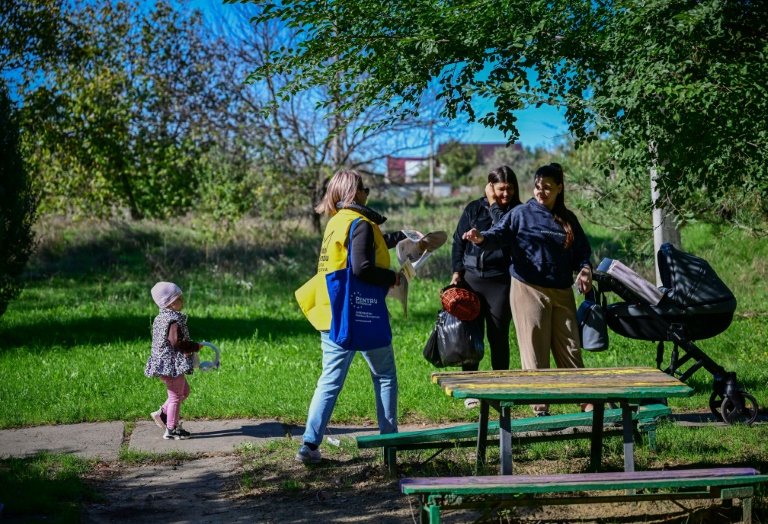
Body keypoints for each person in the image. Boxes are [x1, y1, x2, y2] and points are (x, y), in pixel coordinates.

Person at [294, 169, 406, 464]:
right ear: (356, 193)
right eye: (365, 188)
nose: (368, 192)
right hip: (361, 313)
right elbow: (361, 268)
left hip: (332, 313)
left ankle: (309, 445)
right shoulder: (361, 224)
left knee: (329, 380)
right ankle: (389, 444)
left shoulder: (337, 222)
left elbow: (362, 247)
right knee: (384, 376)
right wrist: (391, 276)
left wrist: (403, 237)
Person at [463, 163, 593, 416]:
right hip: (528, 288)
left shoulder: (568, 219)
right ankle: (540, 408)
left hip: (562, 291)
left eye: (547, 187)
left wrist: (585, 270)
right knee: (535, 350)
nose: (541, 191)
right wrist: (481, 238)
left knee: (570, 348)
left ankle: (588, 404)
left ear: (559, 188)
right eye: (537, 186)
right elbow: (498, 235)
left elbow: (582, 253)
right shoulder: (521, 213)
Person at [450, 166, 522, 408]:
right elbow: (457, 241)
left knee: (498, 335)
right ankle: (471, 390)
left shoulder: (516, 211)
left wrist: (494, 205)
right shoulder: (473, 208)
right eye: (501, 189)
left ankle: (499, 388)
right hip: (471, 280)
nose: (506, 194)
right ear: (491, 186)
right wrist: (457, 271)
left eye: (510, 188)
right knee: (470, 335)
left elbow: (504, 234)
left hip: (500, 281)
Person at [145, 282, 203, 440]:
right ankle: (171, 429)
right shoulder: (173, 321)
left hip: (163, 364)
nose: (182, 301)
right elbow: (176, 342)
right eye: (179, 298)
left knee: (184, 392)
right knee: (176, 396)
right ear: (171, 303)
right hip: (170, 366)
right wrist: (195, 346)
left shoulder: (161, 318)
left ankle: (162, 413)